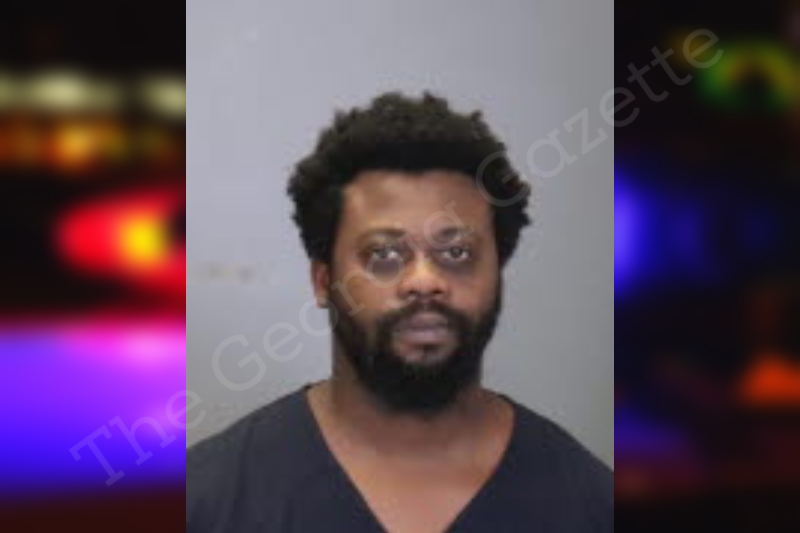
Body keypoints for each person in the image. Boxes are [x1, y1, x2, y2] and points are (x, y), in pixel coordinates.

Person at [187, 92, 612, 532]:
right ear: (323, 281)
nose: (424, 281)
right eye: (384, 255)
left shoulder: (592, 505)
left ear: (498, 275)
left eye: (458, 252)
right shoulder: (205, 501)